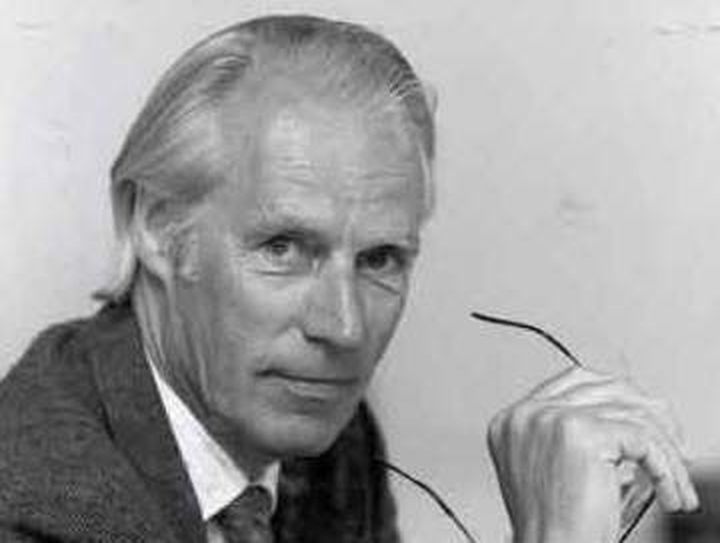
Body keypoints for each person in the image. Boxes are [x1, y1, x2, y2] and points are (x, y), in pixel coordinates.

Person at [0, 14, 698, 543]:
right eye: (283, 247)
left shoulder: (323, 437)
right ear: (157, 227)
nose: (343, 327)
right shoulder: (34, 505)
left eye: (380, 258)